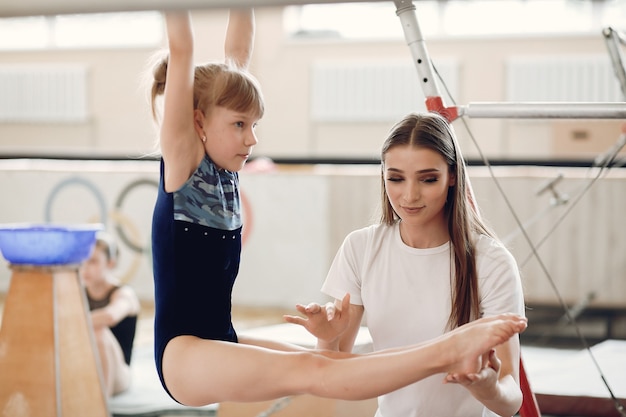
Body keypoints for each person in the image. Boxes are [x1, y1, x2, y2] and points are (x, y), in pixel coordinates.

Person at [147, 9, 527, 408]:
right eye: (241, 125)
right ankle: (447, 349)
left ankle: (445, 351)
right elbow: (182, 45)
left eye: (255, 124)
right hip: (183, 351)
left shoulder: (226, 165)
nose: (253, 138)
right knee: (316, 373)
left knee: (324, 360)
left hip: (217, 338)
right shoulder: (183, 163)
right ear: (198, 121)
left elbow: (238, 52)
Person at [285, 112, 526, 417]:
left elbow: (511, 398)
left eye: (428, 179)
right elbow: (333, 376)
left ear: (452, 176)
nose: (410, 195)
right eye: (396, 178)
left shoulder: (491, 262)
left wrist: (486, 387)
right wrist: (327, 338)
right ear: (383, 175)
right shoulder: (361, 248)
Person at [81, 231, 141, 397]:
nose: (85, 268)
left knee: (98, 331)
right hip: (85, 367)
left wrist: (69, 323)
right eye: (83, 261)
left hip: (119, 374)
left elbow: (110, 316)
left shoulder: (124, 294)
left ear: (110, 263)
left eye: (93, 261)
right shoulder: (78, 293)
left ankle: (101, 408)